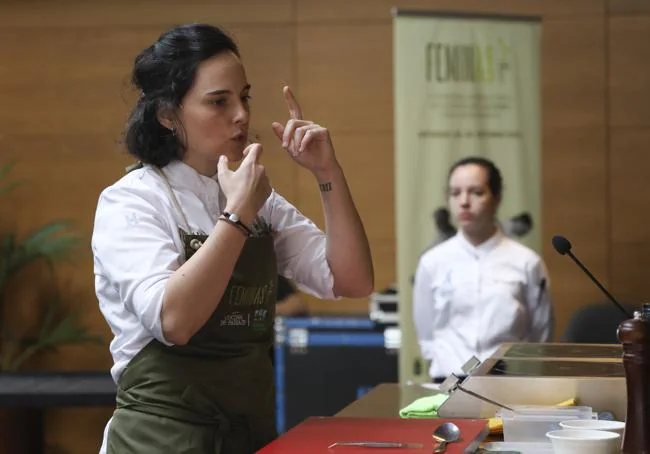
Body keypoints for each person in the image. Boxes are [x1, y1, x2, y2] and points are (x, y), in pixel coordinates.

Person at [91, 23, 374, 453]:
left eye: (244, 97)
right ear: (167, 114)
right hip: (159, 441)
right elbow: (175, 321)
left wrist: (327, 173)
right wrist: (238, 214)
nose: (241, 115)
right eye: (218, 101)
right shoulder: (131, 201)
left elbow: (351, 280)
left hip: (250, 437)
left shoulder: (256, 196)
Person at [412, 156, 553, 382]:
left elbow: (540, 333)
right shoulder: (432, 262)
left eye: (476, 192)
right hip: (448, 382)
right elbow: (427, 335)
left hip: (510, 383)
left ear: (496, 198)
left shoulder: (527, 262)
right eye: (455, 193)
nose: (464, 201)